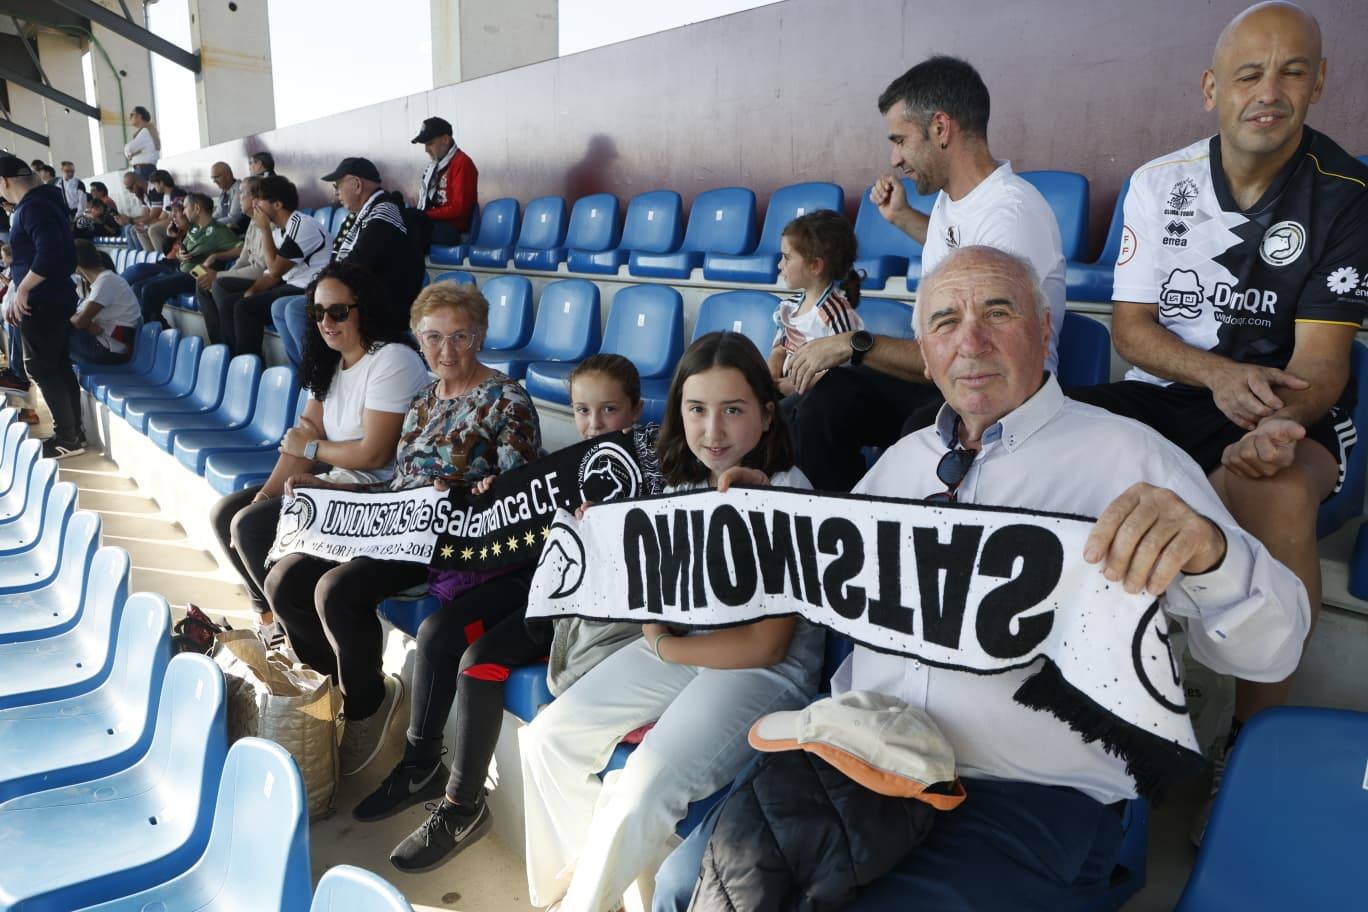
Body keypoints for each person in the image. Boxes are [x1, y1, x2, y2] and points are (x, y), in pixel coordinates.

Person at [652, 246, 1311, 911]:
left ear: (1045, 329)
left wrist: (1214, 555)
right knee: (684, 885)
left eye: (999, 310)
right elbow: (823, 586)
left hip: (1025, 793)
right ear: (923, 348)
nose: (971, 340)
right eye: (945, 320)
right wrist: (770, 524)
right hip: (857, 756)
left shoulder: (1132, 457)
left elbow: (1272, 648)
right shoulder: (901, 467)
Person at [1066, 1, 1368, 840]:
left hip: (1298, 410)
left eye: (1292, 71)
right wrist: (1216, 375)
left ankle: (1252, 744)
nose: (1269, 92)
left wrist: (1273, 419)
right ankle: (1092, 702)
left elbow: (1322, 369)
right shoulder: (1159, 185)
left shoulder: (1346, 195)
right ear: (1212, 89)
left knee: (1269, 487)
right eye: (1248, 73)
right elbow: (1131, 332)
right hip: (1180, 395)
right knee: (1047, 433)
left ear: (1318, 83)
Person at [520, 331, 823, 912]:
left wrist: (664, 648)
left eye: (733, 410)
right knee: (547, 739)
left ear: (765, 413)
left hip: (760, 672)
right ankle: (574, 892)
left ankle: (584, 902)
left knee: (638, 790)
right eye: (697, 410)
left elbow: (766, 645)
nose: (713, 431)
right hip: (683, 646)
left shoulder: (788, 491)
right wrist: (604, 537)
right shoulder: (680, 481)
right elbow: (650, 591)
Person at [354, 353, 651, 873]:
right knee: (437, 632)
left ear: (636, 410)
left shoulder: (650, 471)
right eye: (583, 410)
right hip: (538, 588)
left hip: (599, 613)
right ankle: (419, 764)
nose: (595, 423)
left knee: (478, 661)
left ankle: (461, 806)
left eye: (609, 410)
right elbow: (522, 529)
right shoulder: (564, 465)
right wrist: (491, 493)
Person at [268, 280, 540, 776]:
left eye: (459, 336)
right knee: (283, 579)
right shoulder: (421, 402)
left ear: (479, 336)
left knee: (336, 589)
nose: (446, 350)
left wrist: (483, 492)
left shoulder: (507, 400)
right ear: (418, 339)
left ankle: (365, 706)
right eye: (433, 338)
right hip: (399, 525)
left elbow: (518, 495)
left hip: (455, 540)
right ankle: (323, 694)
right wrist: (332, 489)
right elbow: (400, 485)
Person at [784, 57, 1067, 492]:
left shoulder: (1009, 213)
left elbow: (969, 348)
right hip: (945, 377)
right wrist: (901, 218)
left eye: (900, 139)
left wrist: (853, 343)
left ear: (940, 128)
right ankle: (835, 524)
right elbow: (960, 251)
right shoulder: (953, 200)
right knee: (819, 405)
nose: (894, 158)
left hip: (991, 391)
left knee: (915, 427)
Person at [210, 261, 430, 648]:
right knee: (228, 514)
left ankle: (299, 641)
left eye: (338, 312)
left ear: (364, 309)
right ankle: (272, 623)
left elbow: (375, 454)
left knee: (251, 527)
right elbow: (303, 437)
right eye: (317, 312)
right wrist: (266, 493)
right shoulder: (330, 360)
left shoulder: (392, 359)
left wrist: (310, 448)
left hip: (379, 495)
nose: (326, 322)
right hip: (339, 480)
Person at [271, 157, 425, 366]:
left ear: (356, 184)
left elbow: (357, 264)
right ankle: (306, 374)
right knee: (280, 307)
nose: (336, 193)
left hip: (383, 304)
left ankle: (325, 372)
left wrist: (321, 289)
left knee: (296, 309)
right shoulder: (361, 214)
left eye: (338, 186)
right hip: (357, 295)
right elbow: (340, 263)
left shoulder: (384, 210)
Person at [0, 154, 85, 458]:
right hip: (53, 297)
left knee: (42, 366)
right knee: (58, 366)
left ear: (4, 182)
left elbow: (49, 254)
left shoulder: (33, 206)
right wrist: (15, 288)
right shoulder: (44, 201)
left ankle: (67, 437)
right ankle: (74, 434)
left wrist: (22, 289)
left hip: (43, 301)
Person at [226, 175, 329, 356]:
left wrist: (264, 229)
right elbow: (269, 273)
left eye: (260, 200)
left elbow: (275, 270)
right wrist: (253, 291)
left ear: (278, 204)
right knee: (232, 302)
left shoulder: (302, 225)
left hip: (309, 287)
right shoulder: (280, 229)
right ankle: (235, 360)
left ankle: (248, 365)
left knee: (245, 308)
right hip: (290, 284)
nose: (255, 204)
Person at [768, 210, 865, 400]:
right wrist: (769, 380)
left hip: (815, 400)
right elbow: (779, 349)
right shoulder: (788, 308)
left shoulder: (835, 312)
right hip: (785, 392)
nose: (780, 265)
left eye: (786, 258)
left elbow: (842, 373)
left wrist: (796, 386)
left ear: (815, 266)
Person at [134, 191, 239, 324]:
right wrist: (179, 255)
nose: (183, 212)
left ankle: (150, 329)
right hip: (180, 270)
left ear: (196, 208)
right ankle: (157, 327)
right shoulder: (194, 228)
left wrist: (216, 255)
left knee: (149, 290)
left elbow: (241, 249)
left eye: (186, 207)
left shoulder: (219, 230)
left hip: (194, 276)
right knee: (138, 287)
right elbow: (181, 248)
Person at [196, 176, 268, 345]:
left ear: (255, 198)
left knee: (219, 284)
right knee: (203, 284)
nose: (237, 197)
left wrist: (219, 276)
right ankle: (219, 344)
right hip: (249, 274)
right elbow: (243, 259)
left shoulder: (268, 223)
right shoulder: (252, 221)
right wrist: (221, 274)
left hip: (264, 280)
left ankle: (231, 345)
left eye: (242, 193)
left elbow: (261, 269)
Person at [70, 240, 140, 365]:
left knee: (53, 331)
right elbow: (79, 319)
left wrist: (83, 322)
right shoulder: (103, 281)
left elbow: (80, 322)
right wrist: (87, 324)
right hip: (103, 343)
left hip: (108, 350)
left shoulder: (106, 282)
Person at [412, 116, 479, 245]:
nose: (426, 149)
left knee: (408, 232)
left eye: (430, 143)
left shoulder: (462, 163)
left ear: (445, 140)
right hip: (437, 224)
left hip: (455, 230)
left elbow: (458, 209)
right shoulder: (436, 166)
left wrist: (425, 215)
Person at [136, 169, 186, 253]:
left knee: (154, 230)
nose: (154, 188)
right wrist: (145, 226)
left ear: (161, 183)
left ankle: (162, 258)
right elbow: (161, 217)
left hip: (178, 224)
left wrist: (149, 226)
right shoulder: (165, 195)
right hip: (170, 222)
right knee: (141, 232)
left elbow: (172, 218)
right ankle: (151, 258)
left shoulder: (176, 193)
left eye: (155, 184)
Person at [124, 105, 160, 179]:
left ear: (139, 116)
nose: (130, 118)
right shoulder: (149, 130)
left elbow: (129, 149)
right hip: (145, 169)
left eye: (132, 115)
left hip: (144, 170)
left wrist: (129, 152)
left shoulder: (145, 131)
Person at [209, 161, 246, 233]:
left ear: (228, 175)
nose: (214, 181)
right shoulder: (224, 191)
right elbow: (219, 213)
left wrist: (210, 224)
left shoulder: (240, 189)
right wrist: (207, 221)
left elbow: (233, 218)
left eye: (217, 177)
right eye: (212, 178)